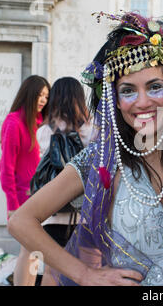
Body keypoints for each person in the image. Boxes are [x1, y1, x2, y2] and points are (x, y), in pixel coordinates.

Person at [8, 12, 163, 286]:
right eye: (128, 91)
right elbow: (20, 221)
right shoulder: (99, 159)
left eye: (155, 86)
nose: (143, 102)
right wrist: (84, 274)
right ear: (114, 100)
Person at [35, 77, 93, 285]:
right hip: (84, 214)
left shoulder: (43, 132)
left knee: (51, 271)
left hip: (52, 213)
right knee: (87, 270)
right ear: (79, 98)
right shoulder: (91, 131)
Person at [0, 75, 51, 286]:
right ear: (29, 94)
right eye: (40, 95)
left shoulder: (42, 124)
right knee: (27, 249)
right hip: (22, 199)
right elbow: (6, 168)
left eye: (46, 96)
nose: (43, 100)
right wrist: (12, 206)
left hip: (39, 197)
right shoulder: (14, 122)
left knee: (35, 251)